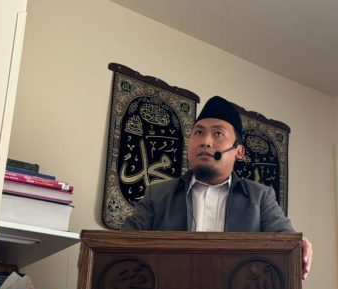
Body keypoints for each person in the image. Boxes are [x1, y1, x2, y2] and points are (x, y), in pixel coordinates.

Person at [122, 95, 313, 279]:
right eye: (198, 132)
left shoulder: (260, 197)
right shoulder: (157, 195)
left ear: (239, 151)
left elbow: (287, 242)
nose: (205, 141)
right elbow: (122, 246)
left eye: (218, 133)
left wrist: (299, 244)